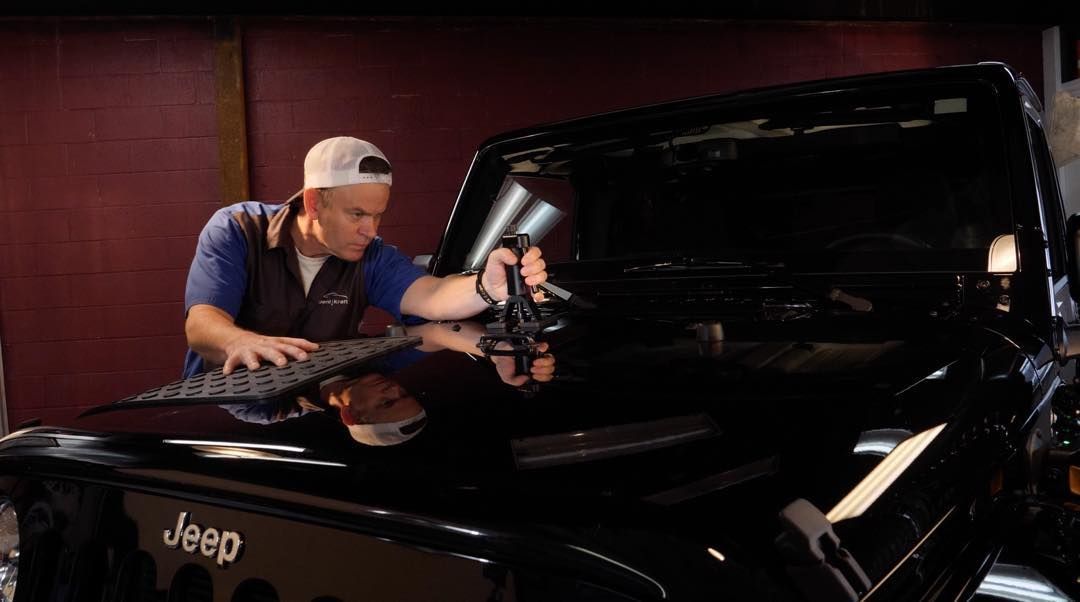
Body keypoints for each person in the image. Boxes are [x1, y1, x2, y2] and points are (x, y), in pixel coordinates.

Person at [182, 136, 547, 377]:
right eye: (357, 214)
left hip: (322, 407)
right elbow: (201, 325)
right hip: (225, 409)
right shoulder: (237, 229)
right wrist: (240, 341)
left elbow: (433, 297)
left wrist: (486, 285)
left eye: (378, 215)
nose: (370, 230)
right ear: (313, 202)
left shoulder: (370, 256)